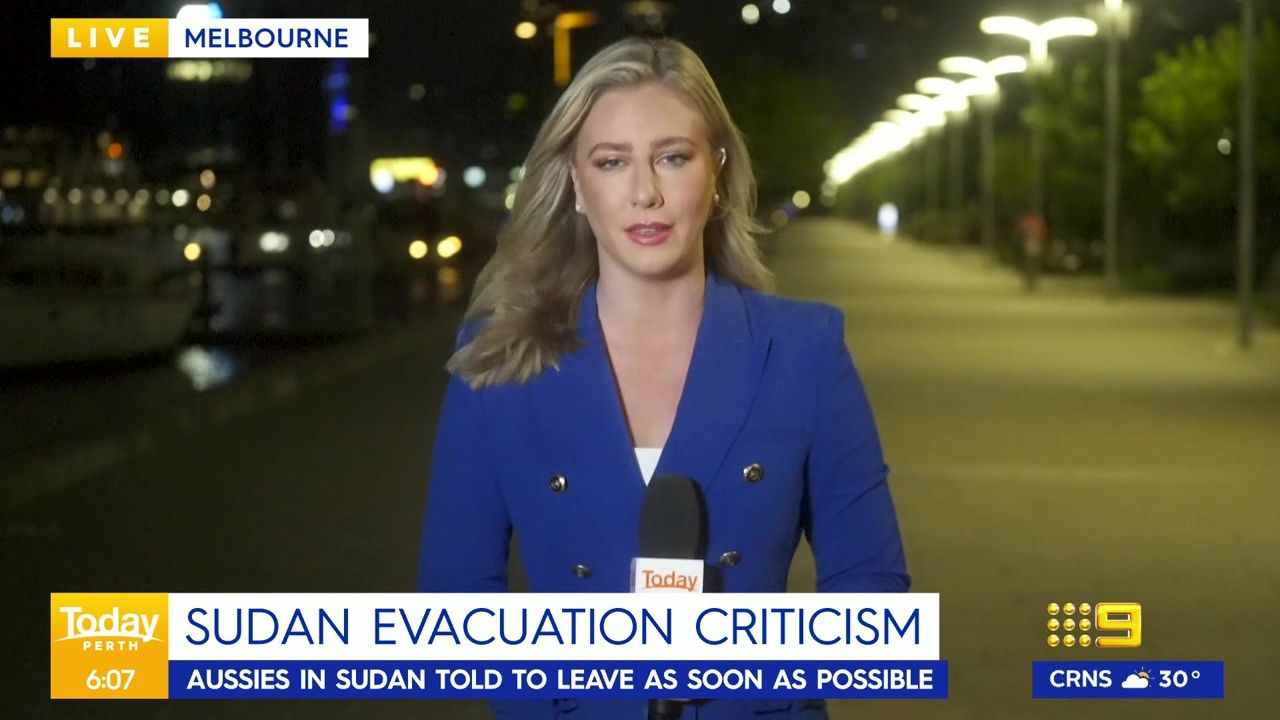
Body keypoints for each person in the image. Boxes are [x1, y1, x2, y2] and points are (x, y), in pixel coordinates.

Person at [417, 37, 910, 719]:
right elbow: (453, 601)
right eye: (612, 161)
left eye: (673, 157)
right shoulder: (497, 362)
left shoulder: (806, 351)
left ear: (717, 172)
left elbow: (873, 594)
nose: (645, 192)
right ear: (576, 184)